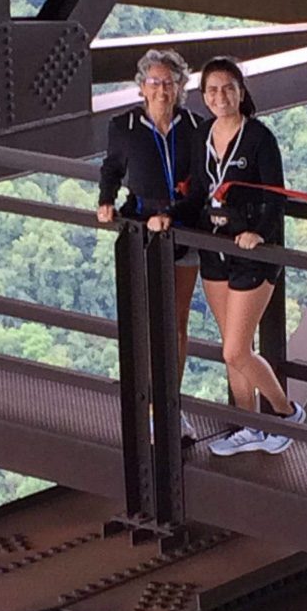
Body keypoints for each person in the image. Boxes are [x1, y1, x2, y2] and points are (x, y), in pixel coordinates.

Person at [172, 56, 306, 455]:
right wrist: (170, 218)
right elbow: (197, 192)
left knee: (236, 349)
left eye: (228, 88)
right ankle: (248, 427)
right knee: (231, 348)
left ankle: (285, 415)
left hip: (253, 252)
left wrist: (258, 233)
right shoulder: (202, 135)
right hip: (215, 249)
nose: (220, 96)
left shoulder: (260, 138)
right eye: (212, 90)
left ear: (241, 93)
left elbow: (273, 196)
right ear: (204, 97)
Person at [97, 49, 202, 402]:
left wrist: (175, 213)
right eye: (154, 82)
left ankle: (170, 400)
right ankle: (147, 398)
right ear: (142, 87)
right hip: (141, 229)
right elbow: (111, 168)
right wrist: (105, 201)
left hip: (183, 228)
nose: (161, 90)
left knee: (176, 322)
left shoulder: (195, 126)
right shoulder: (123, 127)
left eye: (169, 83)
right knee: (146, 319)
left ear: (180, 88)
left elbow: (203, 181)